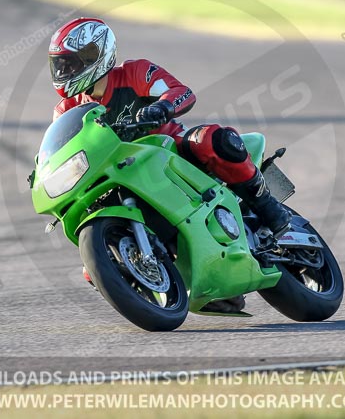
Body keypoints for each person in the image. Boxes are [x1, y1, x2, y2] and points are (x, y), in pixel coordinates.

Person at [49, 18, 291, 312]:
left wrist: (161, 106)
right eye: (59, 65)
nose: (64, 73)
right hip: (119, 172)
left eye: (70, 64)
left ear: (95, 55)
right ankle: (177, 280)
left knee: (213, 139)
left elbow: (181, 92)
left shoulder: (135, 72)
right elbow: (65, 149)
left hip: (168, 149)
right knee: (93, 267)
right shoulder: (67, 109)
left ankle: (267, 206)